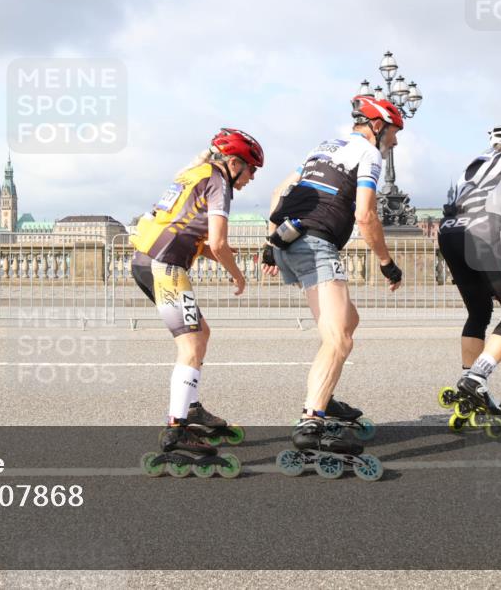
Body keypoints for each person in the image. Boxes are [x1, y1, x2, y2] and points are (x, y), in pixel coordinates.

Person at [261, 96, 404, 455]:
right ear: (378, 126)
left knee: (346, 321)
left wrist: (269, 244)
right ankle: (312, 421)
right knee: (339, 339)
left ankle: (325, 396)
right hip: (315, 244)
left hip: (287, 240)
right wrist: (387, 262)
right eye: (395, 133)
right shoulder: (368, 154)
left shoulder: (323, 146)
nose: (396, 143)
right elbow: (366, 216)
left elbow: (281, 191)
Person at [130, 128, 264, 460]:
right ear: (234, 164)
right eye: (252, 170)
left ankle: (189, 409)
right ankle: (177, 429)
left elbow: (188, 233)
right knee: (190, 345)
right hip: (167, 267)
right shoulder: (219, 182)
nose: (251, 179)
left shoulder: (195, 174)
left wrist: (229, 256)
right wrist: (237, 275)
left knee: (201, 333)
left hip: (148, 261)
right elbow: (216, 243)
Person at [438, 124, 501, 422]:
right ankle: (477, 378)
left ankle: (471, 385)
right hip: (487, 229)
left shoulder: (475, 164)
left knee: (479, 312)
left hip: (450, 231)